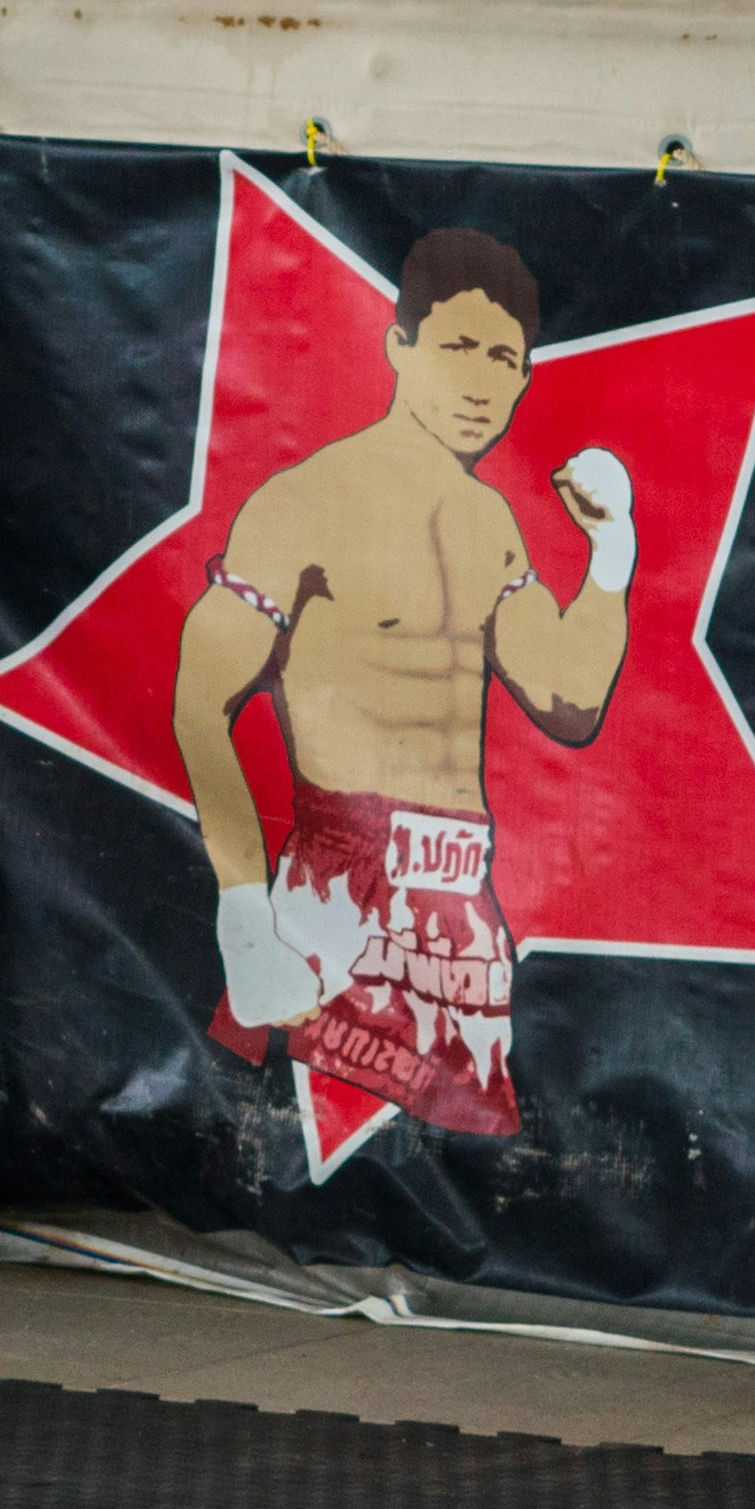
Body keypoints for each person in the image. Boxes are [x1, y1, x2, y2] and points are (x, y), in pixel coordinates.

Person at [168, 230, 632, 1153]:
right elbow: (199, 702)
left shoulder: (491, 522)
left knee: (468, 1173)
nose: (479, 380)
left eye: (502, 358)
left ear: (524, 378)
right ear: (398, 346)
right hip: (337, 886)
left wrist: (611, 552)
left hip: (461, 904)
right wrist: (244, 916)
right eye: (457, 346)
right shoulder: (305, 498)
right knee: (307, 1161)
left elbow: (569, 697)